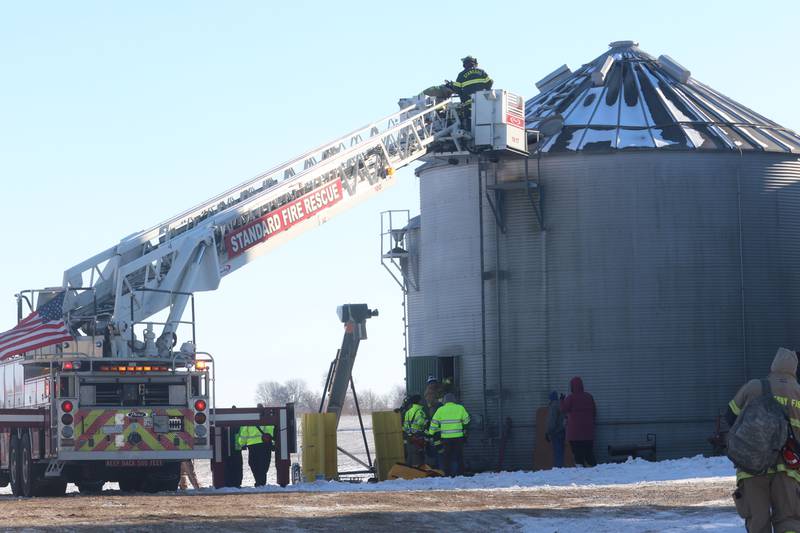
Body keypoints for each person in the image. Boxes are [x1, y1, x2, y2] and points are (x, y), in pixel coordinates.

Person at [727, 347, 800, 533]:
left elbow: (730, 416)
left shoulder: (753, 386)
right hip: (788, 468)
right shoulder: (798, 392)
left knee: (758, 522)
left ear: (773, 366)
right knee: (788, 520)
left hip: (751, 466)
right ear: (794, 368)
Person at [428, 393, 470, 477]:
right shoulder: (460, 408)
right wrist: (464, 427)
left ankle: (448, 474)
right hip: (458, 437)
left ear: (444, 401)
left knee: (447, 456)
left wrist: (430, 433)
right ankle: (460, 473)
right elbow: (467, 420)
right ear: (454, 400)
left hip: (446, 438)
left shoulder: (440, 410)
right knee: (458, 456)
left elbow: (434, 423)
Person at [561, 376, 596, 467]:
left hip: (575, 433)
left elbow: (563, 409)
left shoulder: (570, 398)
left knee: (578, 455)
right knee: (589, 454)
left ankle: (580, 472)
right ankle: (595, 471)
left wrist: (561, 400)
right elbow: (594, 413)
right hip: (588, 432)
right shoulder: (589, 397)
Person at [238, 413, 275, 487]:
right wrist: (273, 444)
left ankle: (259, 482)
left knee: (253, 464)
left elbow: (243, 434)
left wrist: (241, 443)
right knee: (263, 465)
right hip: (265, 445)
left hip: (253, 446)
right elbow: (272, 432)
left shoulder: (247, 421)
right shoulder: (268, 420)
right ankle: (261, 482)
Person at [402, 394, 428, 467]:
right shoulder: (420, 412)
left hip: (410, 439)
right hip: (418, 439)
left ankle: (410, 474)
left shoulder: (408, 412)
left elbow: (405, 427)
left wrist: (409, 434)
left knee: (411, 458)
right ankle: (418, 475)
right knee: (418, 459)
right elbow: (423, 424)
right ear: (419, 402)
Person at [222, 407, 243, 488]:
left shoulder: (225, 422)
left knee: (229, 465)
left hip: (227, 448)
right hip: (237, 447)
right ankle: (236, 483)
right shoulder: (239, 423)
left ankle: (229, 482)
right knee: (237, 466)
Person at [545, 390, 566, 468]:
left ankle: (558, 468)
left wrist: (548, 432)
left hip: (556, 432)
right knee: (560, 451)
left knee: (557, 451)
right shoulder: (560, 405)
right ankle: (560, 468)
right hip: (562, 431)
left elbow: (551, 421)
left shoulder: (553, 406)